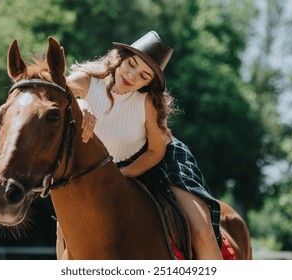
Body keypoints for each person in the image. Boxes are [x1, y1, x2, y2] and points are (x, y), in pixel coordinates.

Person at [67, 31, 223, 260]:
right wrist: (79, 103)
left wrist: (122, 175)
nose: (132, 76)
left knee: (201, 231)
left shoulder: (147, 101)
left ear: (149, 82)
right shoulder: (85, 81)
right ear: (120, 57)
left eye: (144, 75)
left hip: (162, 161)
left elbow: (155, 151)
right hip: (100, 168)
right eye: (131, 64)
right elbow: (54, 96)